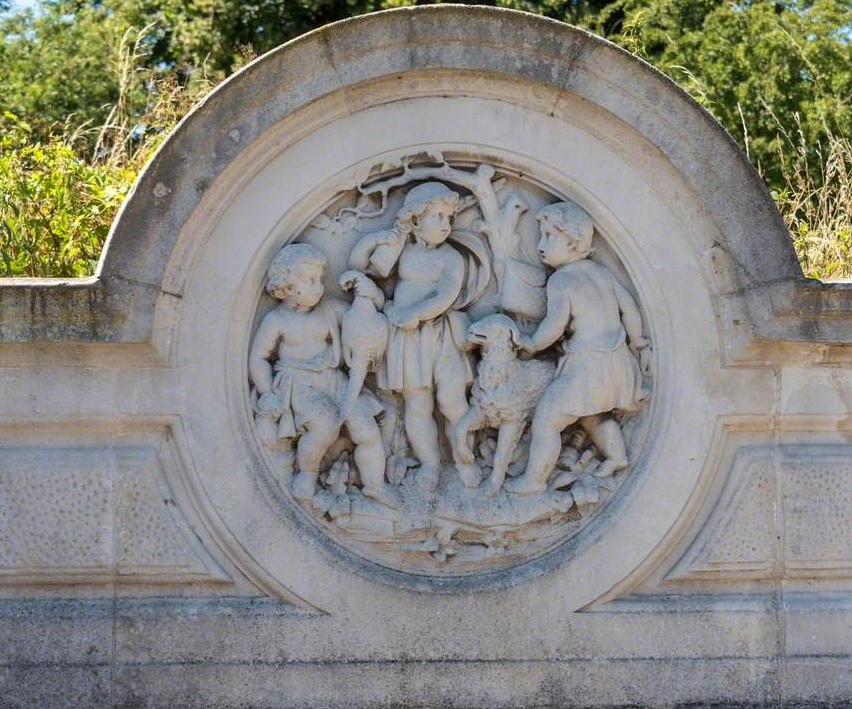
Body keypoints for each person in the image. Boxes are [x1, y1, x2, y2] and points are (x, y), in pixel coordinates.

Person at [507, 201, 652, 494]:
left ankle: (534, 481)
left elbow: (553, 325)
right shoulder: (602, 274)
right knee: (592, 414)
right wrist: (640, 343)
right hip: (616, 363)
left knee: (548, 417)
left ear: (573, 241)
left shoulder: (562, 280)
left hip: (585, 364)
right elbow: (630, 310)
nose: (540, 244)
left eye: (549, 236)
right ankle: (616, 455)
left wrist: (531, 343)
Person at [348, 181, 482, 491]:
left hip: (438, 334)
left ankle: (465, 458)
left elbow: (446, 295)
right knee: (417, 405)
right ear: (416, 218)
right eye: (438, 216)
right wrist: (377, 240)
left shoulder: (451, 257)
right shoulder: (402, 250)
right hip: (406, 340)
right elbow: (365, 270)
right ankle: (430, 465)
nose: (446, 225)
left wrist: (416, 313)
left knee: (452, 402)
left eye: (450, 218)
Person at [248, 242, 393, 505]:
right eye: (310, 280)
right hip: (299, 383)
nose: (319, 286)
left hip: (334, 379)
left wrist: (369, 293)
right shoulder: (277, 321)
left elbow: (364, 317)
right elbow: (258, 357)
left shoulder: (330, 308)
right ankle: (308, 473)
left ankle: (375, 484)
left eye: (320, 279)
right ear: (288, 287)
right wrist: (267, 392)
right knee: (325, 426)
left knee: (366, 427)